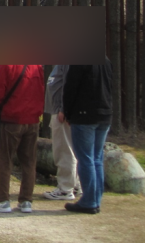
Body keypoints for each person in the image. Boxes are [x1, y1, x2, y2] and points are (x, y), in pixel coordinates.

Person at [0, 63, 45, 214]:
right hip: (32, 119)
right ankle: (26, 200)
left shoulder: (7, 65)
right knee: (29, 162)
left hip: (12, 119)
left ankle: (1, 199)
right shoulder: (37, 65)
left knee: (4, 159)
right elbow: (41, 90)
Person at [61, 61, 114, 214]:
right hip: (104, 113)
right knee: (96, 158)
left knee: (85, 159)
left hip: (84, 114)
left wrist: (68, 113)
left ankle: (89, 201)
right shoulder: (105, 60)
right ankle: (96, 198)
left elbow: (71, 87)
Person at [42, 65, 81, 201]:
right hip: (60, 110)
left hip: (61, 112)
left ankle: (65, 188)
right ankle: (75, 184)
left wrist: (63, 109)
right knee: (69, 149)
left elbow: (68, 84)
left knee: (64, 150)